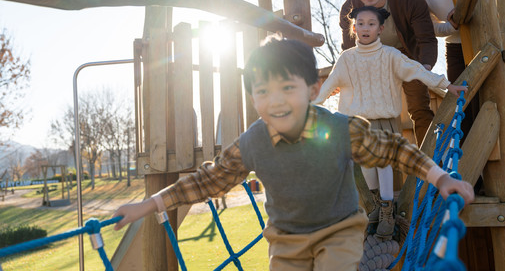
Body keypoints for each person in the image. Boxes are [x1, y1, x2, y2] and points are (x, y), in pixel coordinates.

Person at [113, 36, 474, 271]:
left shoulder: (337, 129)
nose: (276, 100)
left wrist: (440, 177)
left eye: (288, 87)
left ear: (313, 88)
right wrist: (147, 206)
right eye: (263, 91)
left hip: (339, 230)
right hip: (286, 242)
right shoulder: (253, 142)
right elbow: (209, 180)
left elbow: (393, 149)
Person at [314, 6, 468, 240]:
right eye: (361, 23)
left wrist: (446, 85)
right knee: (367, 169)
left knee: (384, 163)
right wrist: (311, 105)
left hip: (384, 121)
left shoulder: (390, 56)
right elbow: (329, 85)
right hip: (357, 124)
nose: (365, 28)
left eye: (371, 24)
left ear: (380, 29)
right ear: (354, 28)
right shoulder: (346, 59)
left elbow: (417, 71)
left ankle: (387, 209)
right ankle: (375, 204)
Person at [404, 0, 505, 140]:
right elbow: (430, 27)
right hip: (456, 49)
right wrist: (452, 25)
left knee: (495, 94)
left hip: (486, 38)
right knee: (463, 105)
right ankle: (471, 166)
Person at [339, 0, 438, 146]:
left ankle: (433, 161)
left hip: (407, 55)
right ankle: (381, 163)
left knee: (419, 107)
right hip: (372, 60)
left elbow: (426, 39)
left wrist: (424, 68)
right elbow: (349, 51)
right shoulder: (348, 10)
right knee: (372, 114)